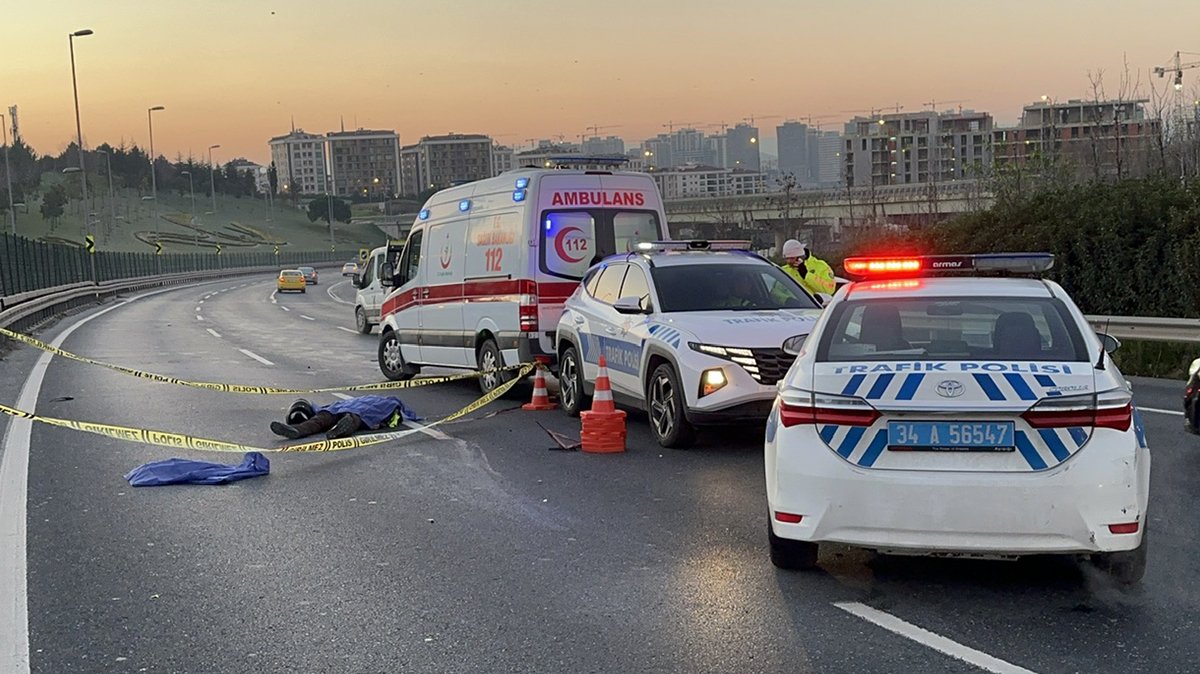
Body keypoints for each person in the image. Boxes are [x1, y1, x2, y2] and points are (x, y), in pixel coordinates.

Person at [270, 395, 418, 440]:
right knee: (354, 417)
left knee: (319, 420)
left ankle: (298, 430)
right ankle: (340, 429)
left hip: (335, 409)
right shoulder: (388, 402)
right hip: (357, 411)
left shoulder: (388, 401)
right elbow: (394, 418)